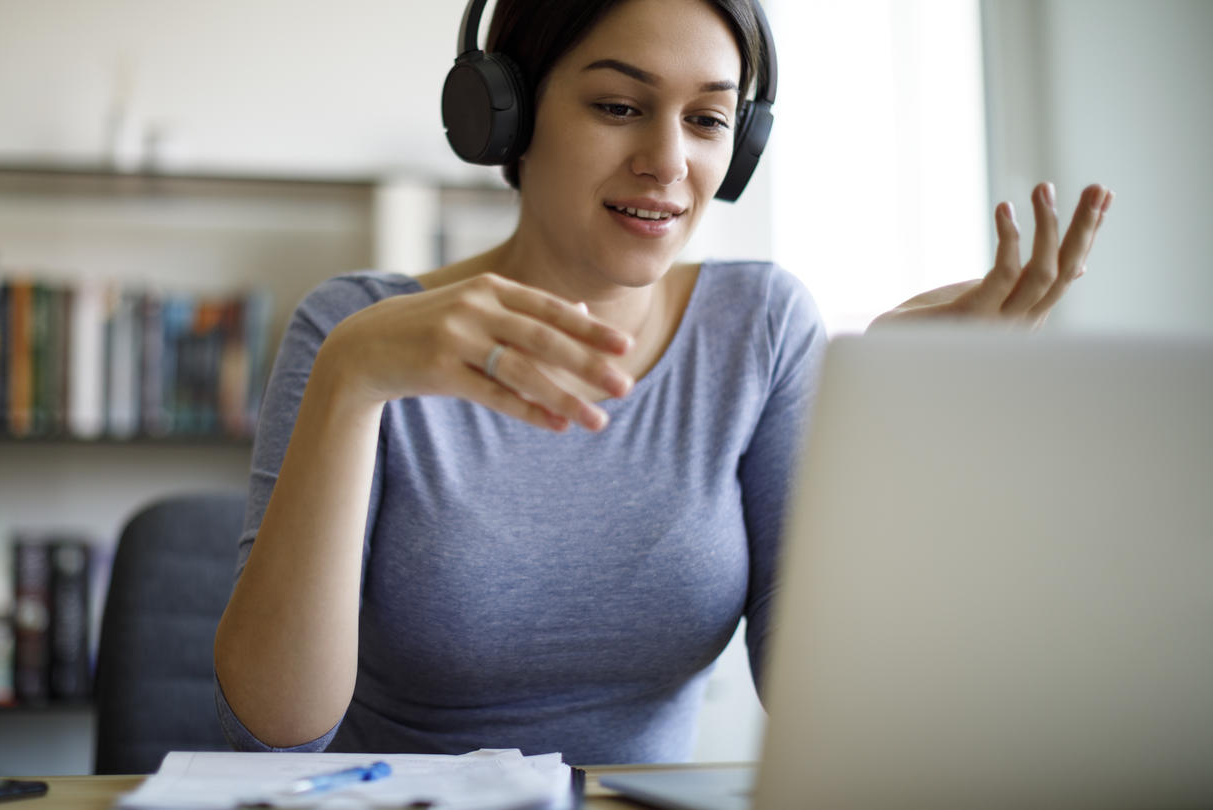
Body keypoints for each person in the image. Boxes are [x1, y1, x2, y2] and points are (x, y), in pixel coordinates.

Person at [213, 0, 1113, 765]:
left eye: (709, 119)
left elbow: (829, 703)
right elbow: (281, 720)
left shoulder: (758, 329)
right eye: (618, 105)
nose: (670, 162)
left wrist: (888, 433)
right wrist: (353, 382)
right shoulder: (354, 332)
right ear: (506, 115)